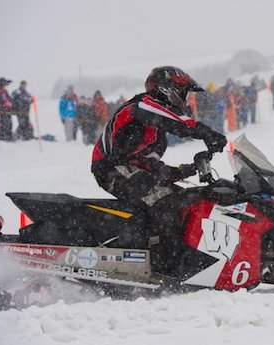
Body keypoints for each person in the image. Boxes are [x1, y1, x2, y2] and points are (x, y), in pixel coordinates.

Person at [91, 66, 227, 251]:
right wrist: (207, 133)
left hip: (129, 168)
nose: (186, 99)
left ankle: (175, 252)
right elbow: (177, 123)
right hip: (110, 168)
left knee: (185, 199)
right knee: (166, 204)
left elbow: (148, 165)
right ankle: (168, 263)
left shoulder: (156, 132)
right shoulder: (143, 104)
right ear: (169, 89)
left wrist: (181, 171)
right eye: (184, 93)